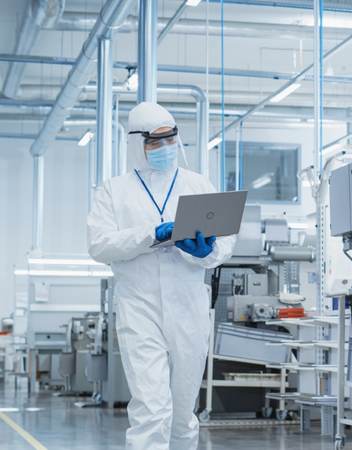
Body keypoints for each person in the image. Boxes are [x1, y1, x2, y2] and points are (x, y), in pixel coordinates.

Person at [87, 102, 236, 450]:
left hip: (189, 307)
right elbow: (100, 245)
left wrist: (208, 253)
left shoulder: (198, 184)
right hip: (140, 307)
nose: (165, 148)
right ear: (136, 144)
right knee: (151, 410)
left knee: (183, 413)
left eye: (170, 140)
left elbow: (225, 239)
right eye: (155, 142)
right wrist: (151, 234)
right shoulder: (113, 191)